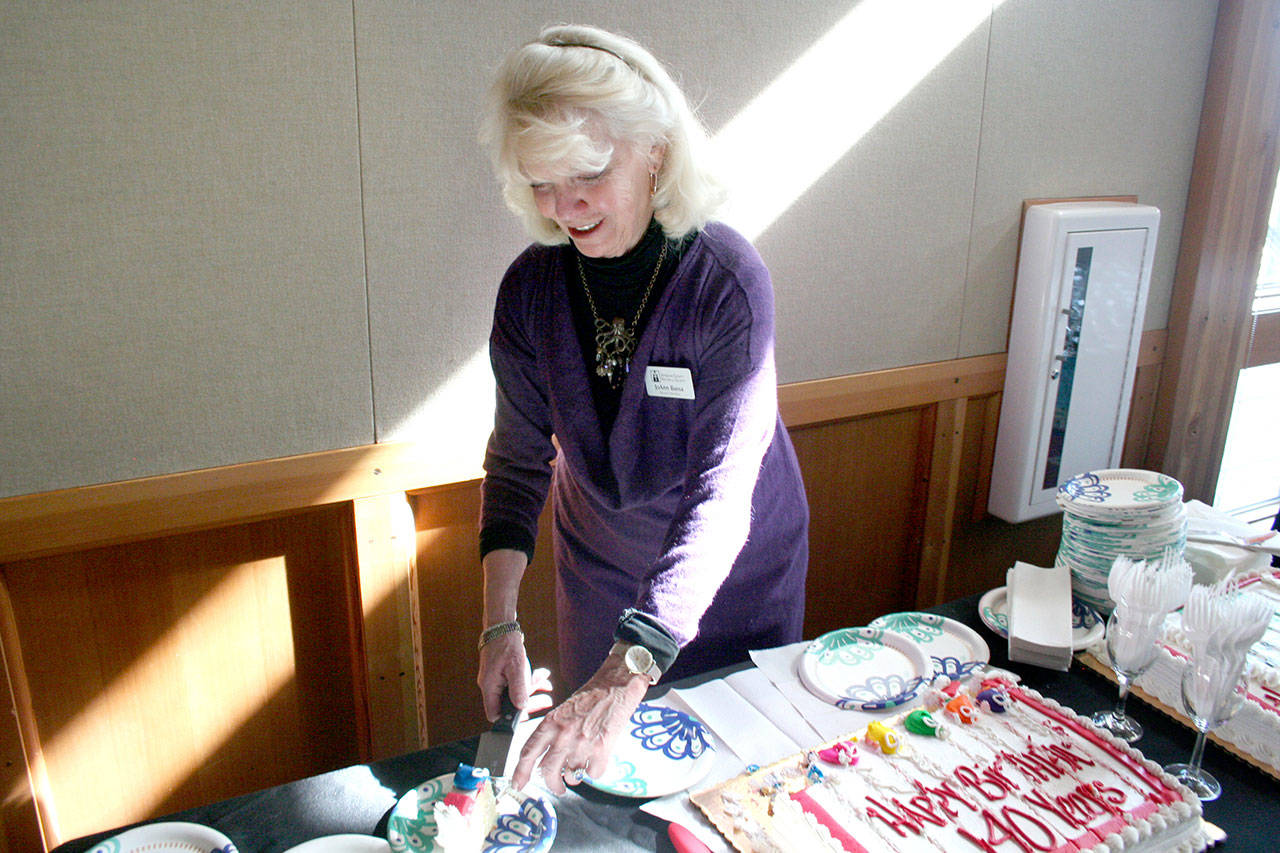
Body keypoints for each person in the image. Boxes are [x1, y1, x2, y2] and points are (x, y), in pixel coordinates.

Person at [475, 23, 809, 795]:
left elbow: (721, 498)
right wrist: (500, 618)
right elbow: (518, 462)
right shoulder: (530, 291)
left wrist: (627, 673)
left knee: (734, 793)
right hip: (600, 570)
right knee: (600, 784)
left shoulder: (724, 282)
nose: (565, 206)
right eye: (540, 183)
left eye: (587, 172)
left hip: (734, 577)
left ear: (655, 149)